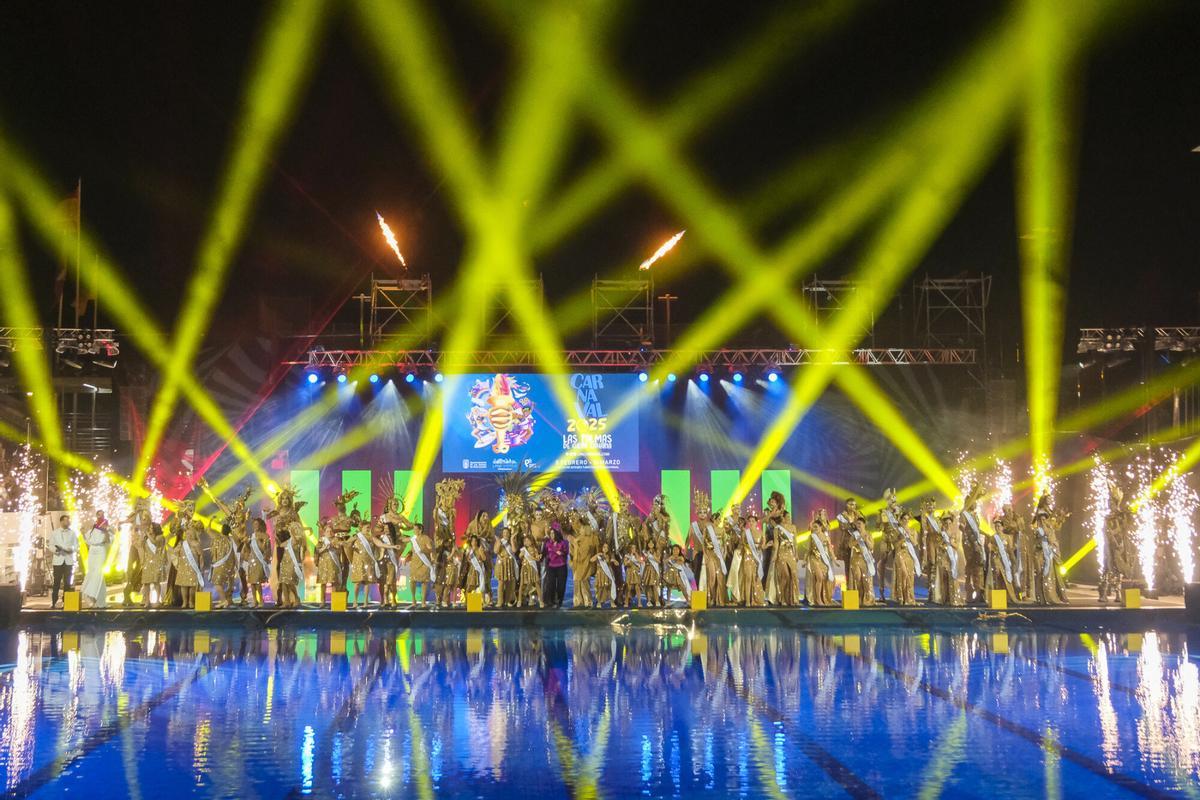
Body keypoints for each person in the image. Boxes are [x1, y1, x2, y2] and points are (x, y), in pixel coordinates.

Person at [691, 491, 726, 607]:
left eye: (704, 512)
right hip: (698, 553)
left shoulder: (710, 526)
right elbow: (688, 540)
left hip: (711, 553)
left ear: (707, 513)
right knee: (698, 576)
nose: (702, 514)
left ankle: (714, 597)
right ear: (697, 513)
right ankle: (701, 599)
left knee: (713, 575)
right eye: (700, 512)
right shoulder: (693, 525)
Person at [80, 511, 112, 608]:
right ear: (96, 515)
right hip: (92, 550)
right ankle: (101, 602)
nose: (100, 516)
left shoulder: (106, 525)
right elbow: (88, 540)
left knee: (98, 572)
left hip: (100, 550)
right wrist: (83, 533)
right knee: (92, 572)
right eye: (99, 514)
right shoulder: (93, 527)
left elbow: (108, 540)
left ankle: (90, 594)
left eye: (102, 514)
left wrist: (106, 531)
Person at [173, 520, 206, 610]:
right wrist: (177, 562)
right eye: (187, 534)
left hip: (193, 568)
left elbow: (201, 556)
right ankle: (185, 602)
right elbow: (175, 552)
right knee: (183, 585)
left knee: (192, 586)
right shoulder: (182, 543)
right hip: (183, 567)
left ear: (194, 534)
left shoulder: (197, 544)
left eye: (191, 534)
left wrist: (201, 567)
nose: (189, 536)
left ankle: (191, 601)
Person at [805, 509, 836, 606]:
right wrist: (805, 560)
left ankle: (824, 598)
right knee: (819, 577)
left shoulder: (826, 537)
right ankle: (817, 599)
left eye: (816, 527)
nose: (814, 529)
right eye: (813, 527)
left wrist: (834, 559)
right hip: (814, 558)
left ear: (821, 527)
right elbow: (808, 550)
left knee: (827, 578)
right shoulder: (812, 537)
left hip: (823, 559)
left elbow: (830, 549)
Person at [49, 514, 78, 608]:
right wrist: (56, 550)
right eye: (66, 520)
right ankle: (54, 602)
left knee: (67, 582)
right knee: (56, 582)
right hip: (58, 560)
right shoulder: (55, 533)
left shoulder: (72, 533)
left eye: (69, 521)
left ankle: (66, 602)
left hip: (68, 560)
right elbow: (50, 545)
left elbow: (76, 546)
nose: (68, 522)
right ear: (61, 522)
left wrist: (70, 549)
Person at [406, 522, 437, 609]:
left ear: (420, 530)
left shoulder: (426, 538)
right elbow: (411, 549)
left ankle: (423, 601)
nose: (414, 531)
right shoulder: (413, 539)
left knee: (424, 582)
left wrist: (423, 550)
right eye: (413, 529)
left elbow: (430, 549)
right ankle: (413, 600)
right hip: (414, 562)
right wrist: (407, 556)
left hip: (424, 562)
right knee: (412, 581)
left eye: (415, 529)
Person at [243, 517, 273, 608]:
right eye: (254, 524)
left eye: (256, 524)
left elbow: (266, 549)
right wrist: (246, 543)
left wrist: (260, 542)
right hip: (251, 560)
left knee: (257, 581)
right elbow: (248, 549)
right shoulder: (251, 536)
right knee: (252, 582)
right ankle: (255, 601)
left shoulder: (265, 536)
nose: (255, 526)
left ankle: (261, 600)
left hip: (259, 560)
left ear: (260, 525)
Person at [315, 519, 344, 609]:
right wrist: (325, 547)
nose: (329, 532)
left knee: (334, 583)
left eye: (331, 531)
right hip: (323, 564)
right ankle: (322, 601)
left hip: (333, 564)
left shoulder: (336, 540)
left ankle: (334, 601)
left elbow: (340, 551)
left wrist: (334, 546)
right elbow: (317, 551)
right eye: (327, 531)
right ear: (324, 532)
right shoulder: (321, 540)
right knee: (323, 583)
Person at [210, 522, 240, 608]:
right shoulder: (231, 540)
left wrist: (210, 522)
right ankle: (227, 600)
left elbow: (209, 531)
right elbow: (234, 552)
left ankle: (224, 601)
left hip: (220, 565)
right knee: (228, 585)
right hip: (230, 565)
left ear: (221, 530)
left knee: (217, 583)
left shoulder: (219, 538)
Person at [139, 522, 169, 607]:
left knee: (156, 582)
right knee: (146, 583)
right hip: (147, 562)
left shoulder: (160, 537)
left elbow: (154, 542)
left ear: (156, 529)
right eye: (149, 528)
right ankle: (147, 601)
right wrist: (143, 539)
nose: (150, 529)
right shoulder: (148, 538)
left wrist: (148, 534)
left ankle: (157, 601)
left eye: (152, 528)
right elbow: (142, 546)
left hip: (157, 561)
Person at [542, 527, 569, 608]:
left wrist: (561, 553)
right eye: (550, 533)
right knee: (551, 584)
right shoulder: (547, 543)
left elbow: (566, 552)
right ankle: (551, 601)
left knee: (561, 585)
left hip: (561, 566)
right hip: (551, 566)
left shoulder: (563, 542)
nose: (551, 535)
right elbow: (544, 553)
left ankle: (559, 600)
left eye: (553, 533)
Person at [591, 540, 620, 607]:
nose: (605, 549)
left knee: (610, 587)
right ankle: (599, 602)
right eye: (604, 547)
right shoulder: (599, 555)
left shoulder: (610, 555)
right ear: (601, 547)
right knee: (600, 588)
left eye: (607, 547)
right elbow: (591, 560)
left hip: (608, 574)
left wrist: (614, 560)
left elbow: (617, 564)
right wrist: (597, 555)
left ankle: (612, 602)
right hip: (600, 574)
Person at [518, 534, 543, 608]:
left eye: (528, 540)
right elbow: (520, 557)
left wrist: (535, 558)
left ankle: (541, 600)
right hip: (525, 568)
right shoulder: (523, 549)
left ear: (532, 541)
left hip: (532, 568)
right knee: (522, 584)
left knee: (537, 583)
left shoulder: (535, 549)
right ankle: (519, 600)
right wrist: (521, 555)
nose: (526, 542)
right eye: (525, 541)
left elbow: (537, 559)